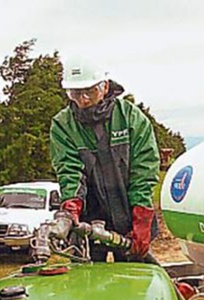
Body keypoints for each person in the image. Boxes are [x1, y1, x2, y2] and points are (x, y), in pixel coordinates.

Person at [50, 58, 160, 261]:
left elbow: (144, 170)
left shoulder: (131, 118)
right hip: (88, 221)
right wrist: (71, 206)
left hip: (130, 217)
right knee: (86, 283)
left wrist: (142, 219)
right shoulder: (63, 124)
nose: (82, 100)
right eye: (75, 93)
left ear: (105, 86)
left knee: (135, 281)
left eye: (89, 92)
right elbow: (69, 169)